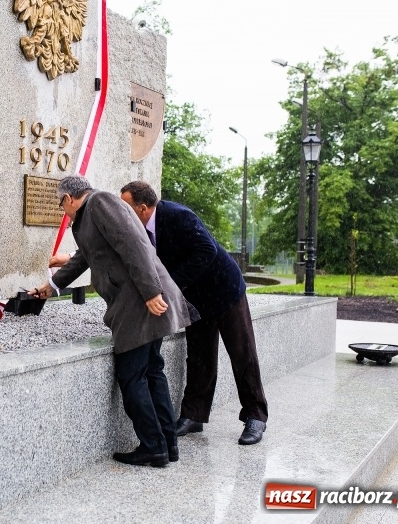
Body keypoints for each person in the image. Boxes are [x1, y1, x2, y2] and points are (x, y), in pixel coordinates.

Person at [51, 181, 269, 445]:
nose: (120, 211)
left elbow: (206, 250)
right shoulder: (138, 226)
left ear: (142, 208)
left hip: (224, 289)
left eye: (125, 206)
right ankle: (194, 414)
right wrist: (70, 260)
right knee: (199, 357)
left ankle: (255, 415)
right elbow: (111, 242)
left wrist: (168, 286)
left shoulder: (177, 215)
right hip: (194, 298)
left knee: (242, 353)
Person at [30, 176, 197, 467]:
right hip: (139, 299)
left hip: (140, 301)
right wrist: (51, 286)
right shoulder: (88, 216)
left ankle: (153, 446)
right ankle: (167, 445)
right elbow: (85, 257)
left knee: (132, 376)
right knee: (153, 372)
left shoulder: (101, 202)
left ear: (69, 198)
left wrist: (150, 291)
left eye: (61, 204)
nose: (62, 210)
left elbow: (134, 244)